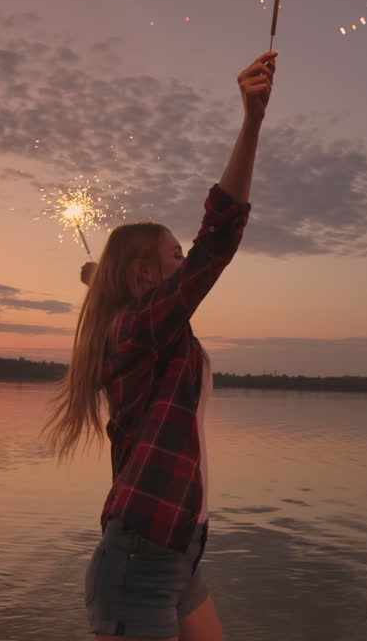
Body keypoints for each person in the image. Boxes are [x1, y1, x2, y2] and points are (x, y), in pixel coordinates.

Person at [44, 50, 276, 641]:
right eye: (173, 253)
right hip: (140, 563)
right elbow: (218, 238)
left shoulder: (147, 329)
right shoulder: (136, 329)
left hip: (174, 554)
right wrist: (251, 124)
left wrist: (101, 277)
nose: (184, 260)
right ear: (146, 275)